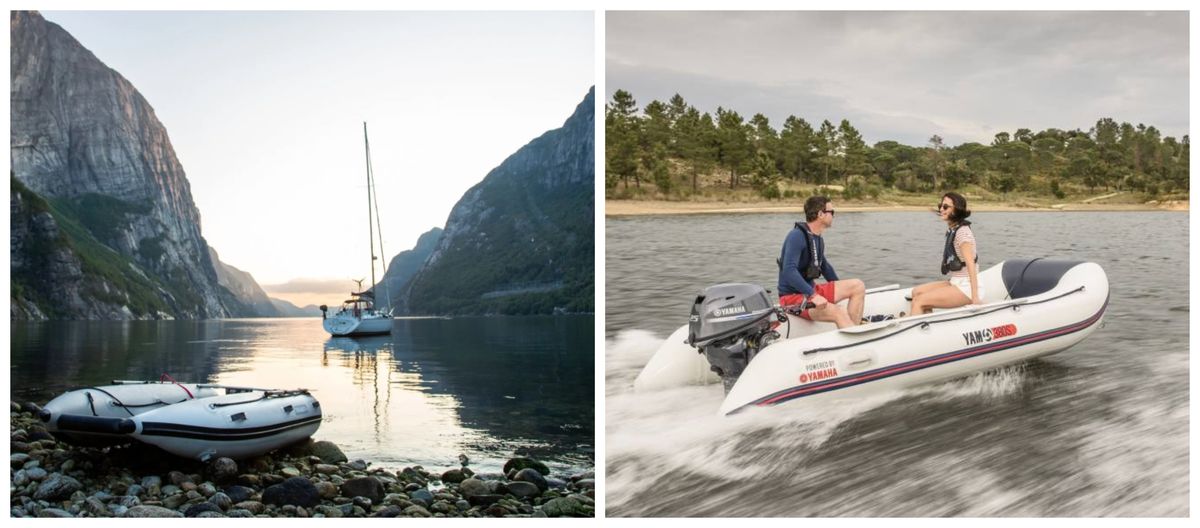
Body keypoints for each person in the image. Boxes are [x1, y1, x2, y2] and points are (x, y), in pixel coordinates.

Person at [778, 196, 866, 329]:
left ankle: (853, 328)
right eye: (832, 212)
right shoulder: (796, 236)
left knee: (857, 286)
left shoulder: (817, 238)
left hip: (810, 291)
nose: (833, 216)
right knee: (839, 311)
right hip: (792, 298)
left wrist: (841, 287)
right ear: (820, 214)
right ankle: (853, 337)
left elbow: (825, 267)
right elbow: (789, 271)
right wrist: (813, 295)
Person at [908, 192, 983, 315]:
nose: (941, 209)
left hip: (967, 287)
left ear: (956, 209)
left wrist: (975, 298)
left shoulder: (962, 232)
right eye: (941, 206)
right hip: (955, 281)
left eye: (946, 207)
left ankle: (912, 329)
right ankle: (926, 323)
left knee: (919, 301)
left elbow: (970, 265)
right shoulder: (953, 229)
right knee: (917, 292)